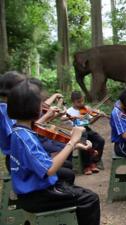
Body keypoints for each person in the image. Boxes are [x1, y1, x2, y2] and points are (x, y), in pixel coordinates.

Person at [7, 79, 100, 225]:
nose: (43, 106)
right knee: (90, 199)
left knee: (70, 182)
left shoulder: (20, 131)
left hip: (35, 190)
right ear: (32, 108)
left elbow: (42, 160)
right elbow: (49, 169)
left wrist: (75, 146)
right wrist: (72, 141)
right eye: (40, 103)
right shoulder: (26, 138)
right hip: (36, 195)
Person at [62, 91, 105, 174]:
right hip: (77, 131)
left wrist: (98, 116)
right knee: (84, 141)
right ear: (73, 102)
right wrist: (74, 117)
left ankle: (94, 162)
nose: (81, 103)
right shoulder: (70, 111)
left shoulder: (84, 109)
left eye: (82, 101)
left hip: (86, 128)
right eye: (78, 102)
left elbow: (90, 122)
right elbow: (62, 118)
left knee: (100, 140)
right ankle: (86, 166)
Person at [0, 71, 25, 171]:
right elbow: (18, 136)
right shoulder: (4, 110)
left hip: (20, 154)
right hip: (16, 158)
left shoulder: (11, 107)